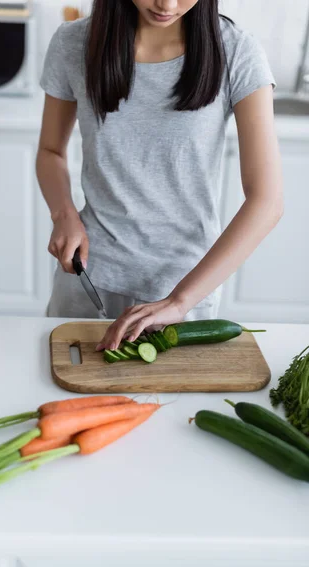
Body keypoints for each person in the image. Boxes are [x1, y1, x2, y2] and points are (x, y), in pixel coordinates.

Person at [36, 0, 283, 351]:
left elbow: (267, 201)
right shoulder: (73, 43)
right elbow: (51, 152)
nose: (166, 4)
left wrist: (180, 301)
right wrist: (63, 214)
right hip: (89, 280)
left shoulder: (237, 51)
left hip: (187, 293)